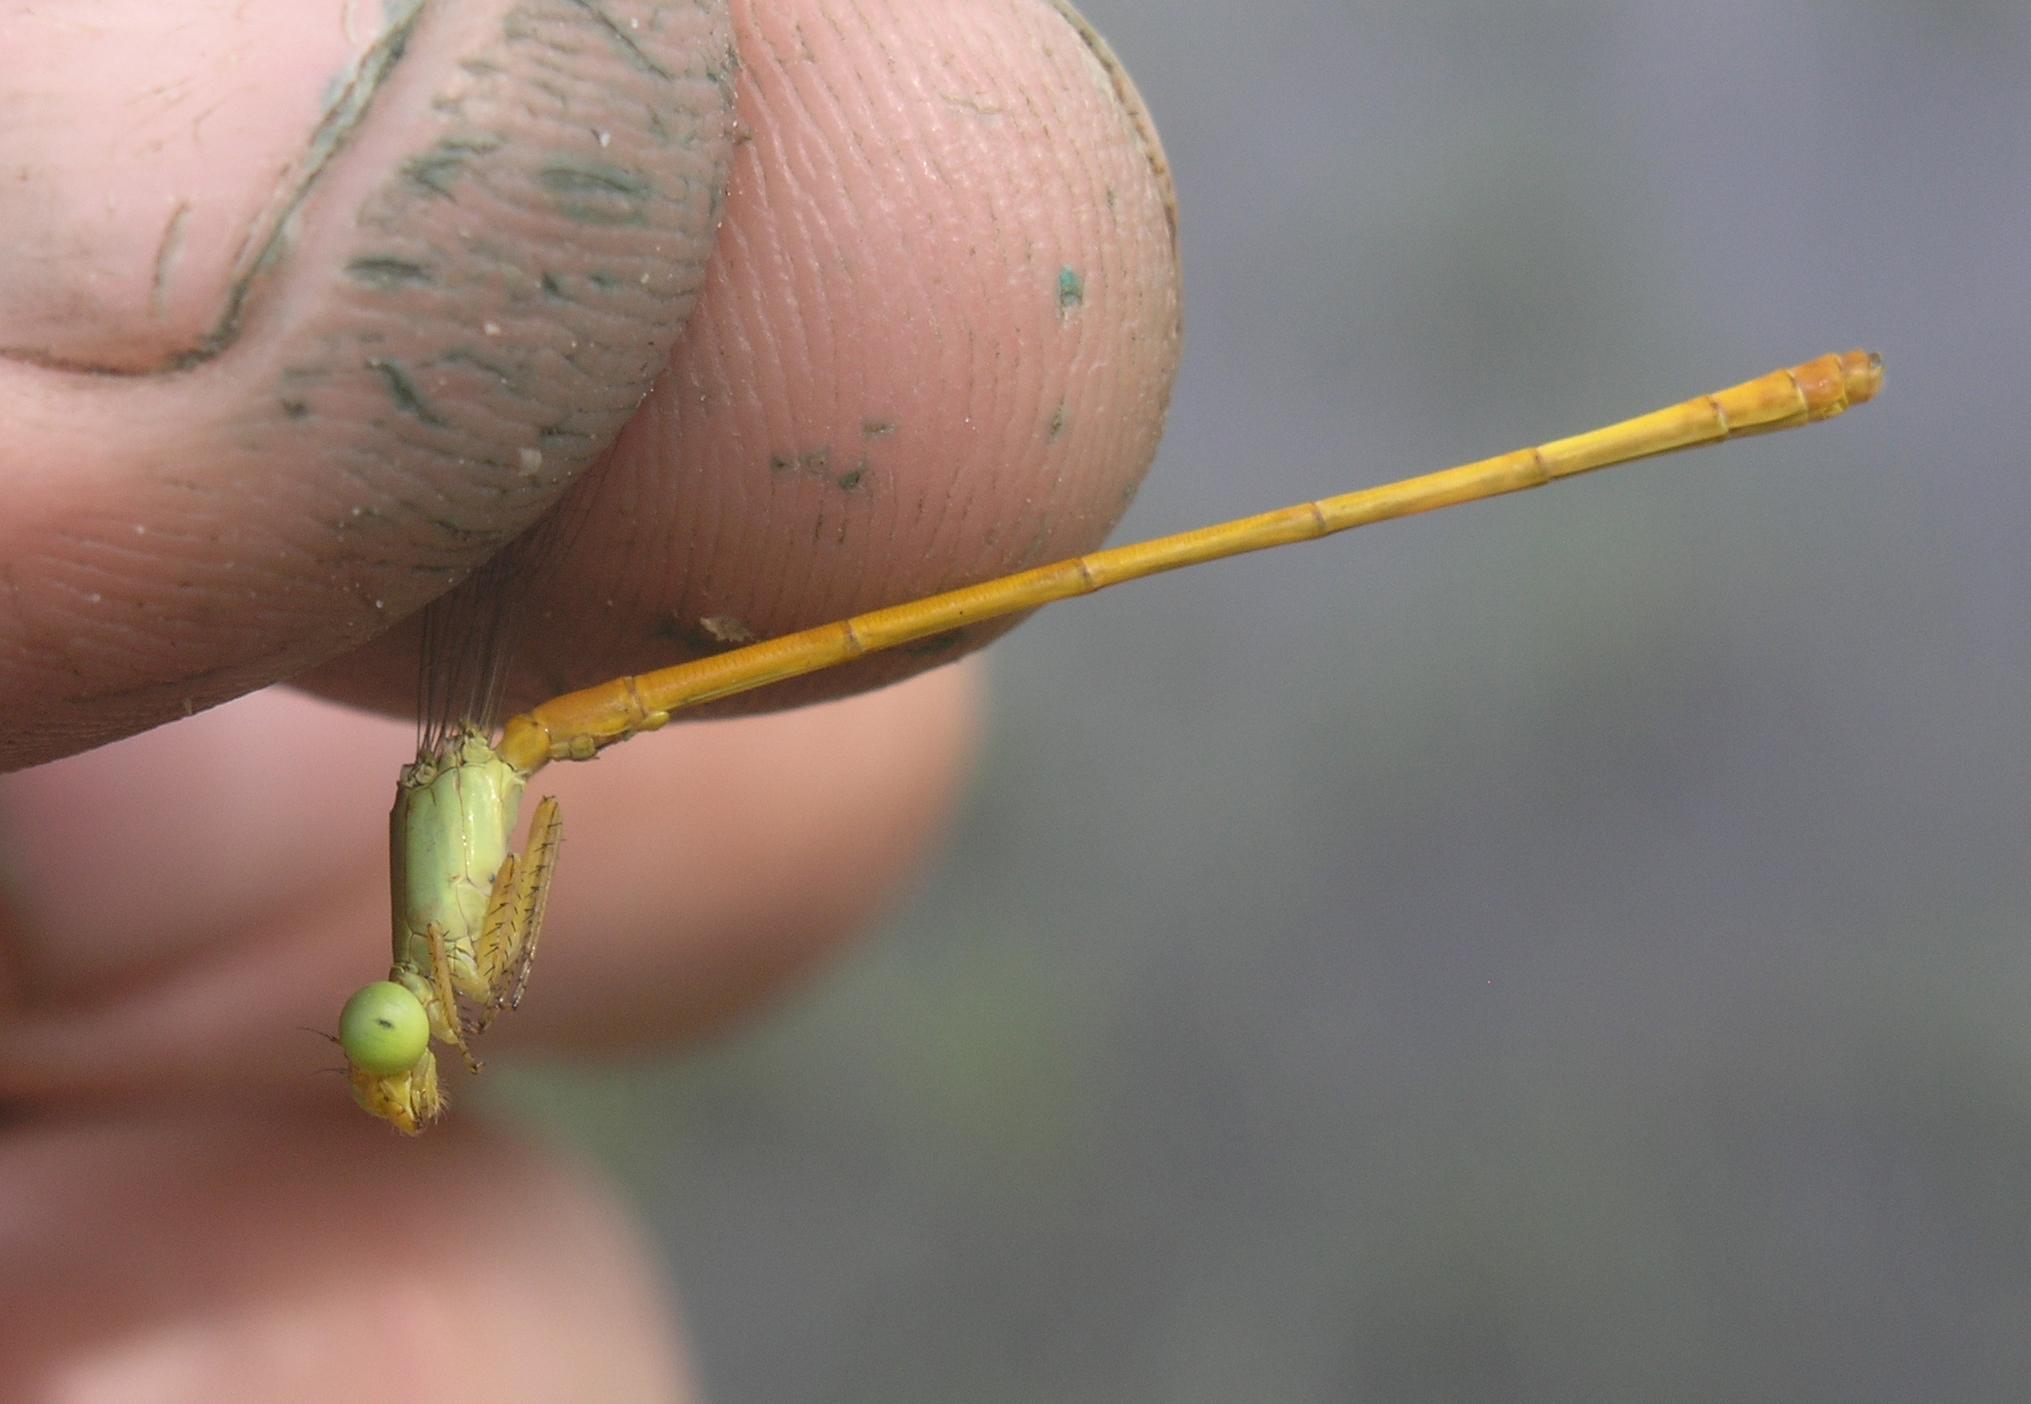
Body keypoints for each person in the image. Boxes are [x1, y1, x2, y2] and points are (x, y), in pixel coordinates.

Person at [0, 0, 1180, 1397]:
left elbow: (537, 858)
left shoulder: (440, 944)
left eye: (386, 1042)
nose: (400, 1061)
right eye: (396, 1052)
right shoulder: (445, 956)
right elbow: (532, 869)